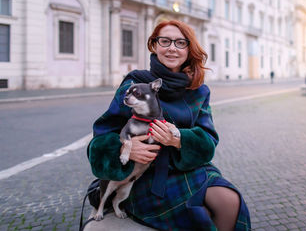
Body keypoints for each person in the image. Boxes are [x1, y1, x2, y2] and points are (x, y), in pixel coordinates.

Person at [87, 20, 251, 230]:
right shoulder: (134, 85)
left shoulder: (199, 91)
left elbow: (209, 140)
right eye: (165, 41)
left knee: (231, 201)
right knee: (200, 215)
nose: (172, 47)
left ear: (189, 49)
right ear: (154, 45)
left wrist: (180, 139)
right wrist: (125, 148)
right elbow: (100, 138)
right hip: (143, 177)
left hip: (189, 169)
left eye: (180, 43)